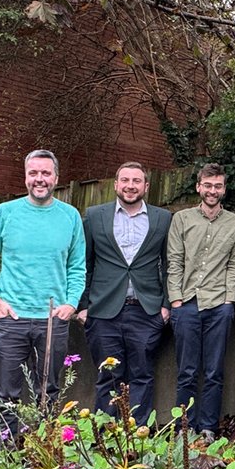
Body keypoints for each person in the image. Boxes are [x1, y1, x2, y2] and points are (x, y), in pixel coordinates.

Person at [0, 149, 85, 424]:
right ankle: (6, 452)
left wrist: (71, 303)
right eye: (33, 173)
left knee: (47, 393)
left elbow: (78, 266)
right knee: (6, 394)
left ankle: (44, 453)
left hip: (52, 320)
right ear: (25, 177)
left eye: (46, 173)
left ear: (56, 178)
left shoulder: (70, 216)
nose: (40, 179)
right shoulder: (5, 213)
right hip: (11, 318)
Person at [77, 162, 172, 420]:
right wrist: (83, 305)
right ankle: (107, 438)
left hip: (145, 310)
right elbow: (84, 262)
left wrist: (165, 304)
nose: (131, 186)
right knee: (108, 376)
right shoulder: (95, 216)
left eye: (137, 181)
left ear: (146, 186)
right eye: (126, 180)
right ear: (116, 184)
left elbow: (169, 263)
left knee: (142, 375)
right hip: (103, 311)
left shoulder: (162, 219)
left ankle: (138, 437)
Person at [167, 163, 235, 439]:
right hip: (187, 303)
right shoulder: (181, 219)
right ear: (198, 187)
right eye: (208, 185)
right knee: (186, 371)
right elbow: (174, 260)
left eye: (218, 186)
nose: (213, 191)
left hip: (219, 306)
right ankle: (182, 428)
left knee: (214, 371)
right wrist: (176, 299)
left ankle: (208, 428)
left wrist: (228, 301)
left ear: (224, 189)